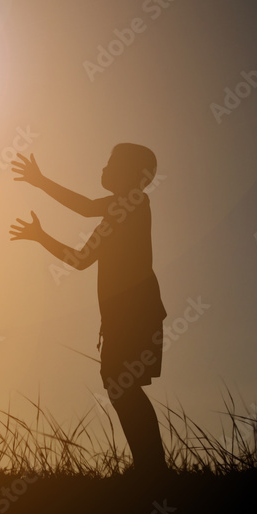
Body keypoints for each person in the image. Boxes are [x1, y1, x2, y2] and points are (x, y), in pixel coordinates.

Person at [9, 144, 168, 476]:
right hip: (121, 316)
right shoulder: (112, 222)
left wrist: (41, 181)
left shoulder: (135, 201)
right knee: (120, 385)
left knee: (122, 384)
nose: (104, 168)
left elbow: (84, 207)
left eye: (111, 163)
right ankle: (150, 467)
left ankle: (152, 468)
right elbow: (80, 261)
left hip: (136, 313)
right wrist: (42, 237)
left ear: (134, 175)